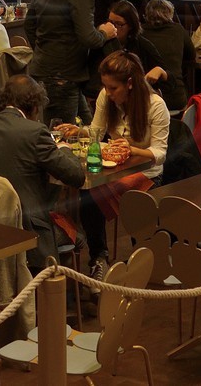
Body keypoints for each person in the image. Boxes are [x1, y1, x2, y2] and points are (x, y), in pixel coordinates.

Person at [54, 51, 169, 273]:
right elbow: (96, 132)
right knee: (87, 192)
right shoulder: (105, 97)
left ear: (129, 84)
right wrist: (79, 131)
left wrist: (132, 149)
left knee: (107, 196)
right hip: (117, 169)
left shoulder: (155, 105)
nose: (108, 92)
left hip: (148, 173)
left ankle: (142, 259)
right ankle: (99, 258)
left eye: (113, 88)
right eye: (105, 86)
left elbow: (161, 152)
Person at [0, 75, 85, 268]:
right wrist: (64, 149)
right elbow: (76, 176)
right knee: (77, 236)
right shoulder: (35, 132)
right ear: (35, 106)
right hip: (25, 232)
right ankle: (62, 294)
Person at [28, 0, 117, 124]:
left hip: (45, 69)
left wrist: (44, 50)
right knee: (63, 140)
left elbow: (29, 24)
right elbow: (88, 38)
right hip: (64, 75)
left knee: (88, 132)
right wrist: (105, 32)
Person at [140, 0, 196, 110]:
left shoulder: (140, 32)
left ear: (147, 14)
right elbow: (191, 56)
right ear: (170, 13)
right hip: (176, 98)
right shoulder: (178, 30)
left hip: (147, 97)